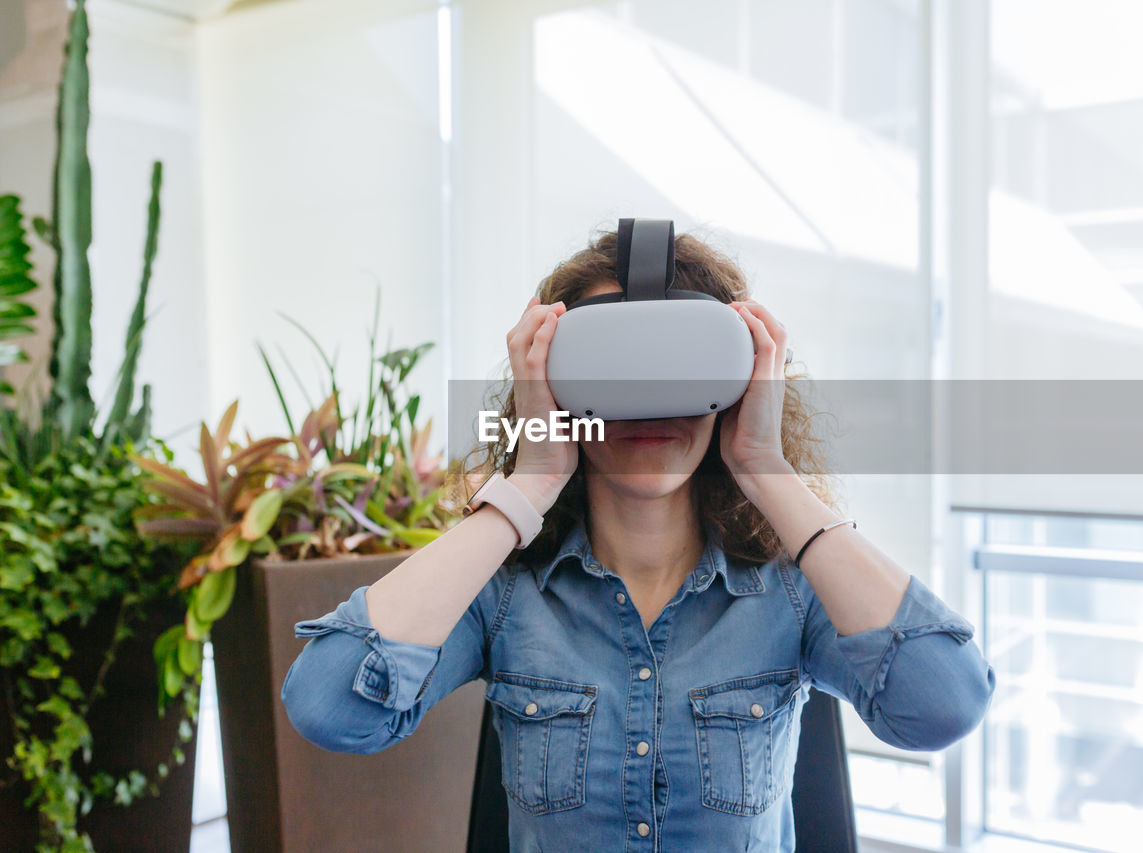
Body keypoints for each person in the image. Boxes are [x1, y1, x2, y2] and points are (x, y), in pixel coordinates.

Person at [280, 228, 996, 852]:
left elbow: (947, 703)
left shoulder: (792, 591)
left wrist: (767, 468)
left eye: (683, 368)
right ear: (553, 387)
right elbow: (328, 706)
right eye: (610, 369)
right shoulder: (504, 595)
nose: (649, 400)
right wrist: (528, 483)